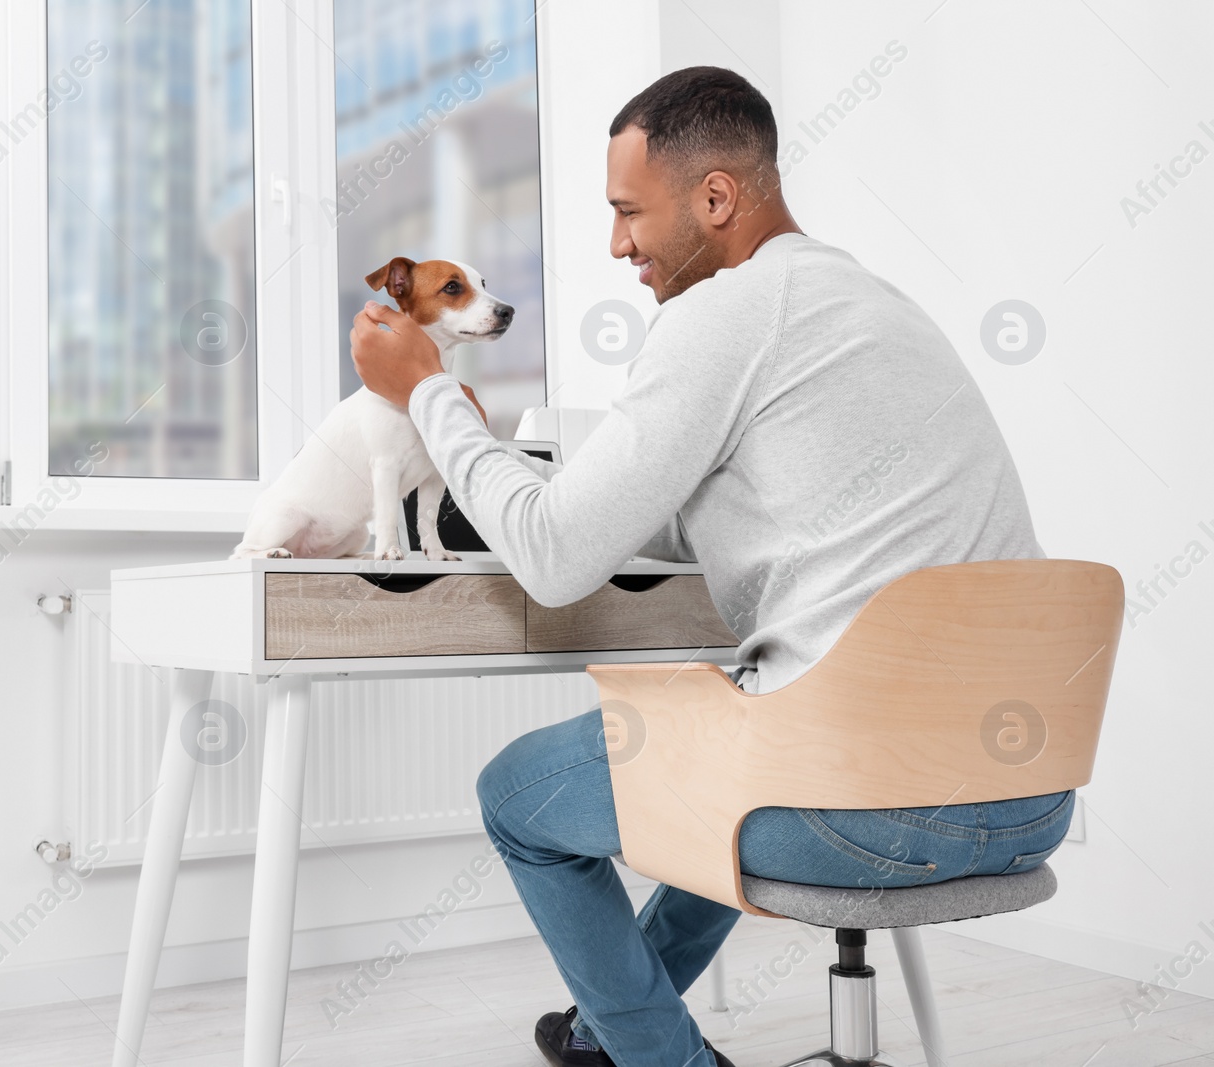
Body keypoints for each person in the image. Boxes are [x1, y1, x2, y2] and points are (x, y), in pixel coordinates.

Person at [348, 67, 1072, 1067]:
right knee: (721, 750)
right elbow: (784, 506)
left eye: (628, 212)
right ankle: (613, 1028)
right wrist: (592, 487)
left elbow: (554, 561)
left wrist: (430, 390)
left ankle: (657, 1054)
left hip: (867, 808)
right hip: (1028, 796)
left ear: (717, 197)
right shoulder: (877, 303)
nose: (617, 245)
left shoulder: (723, 313)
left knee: (518, 791)